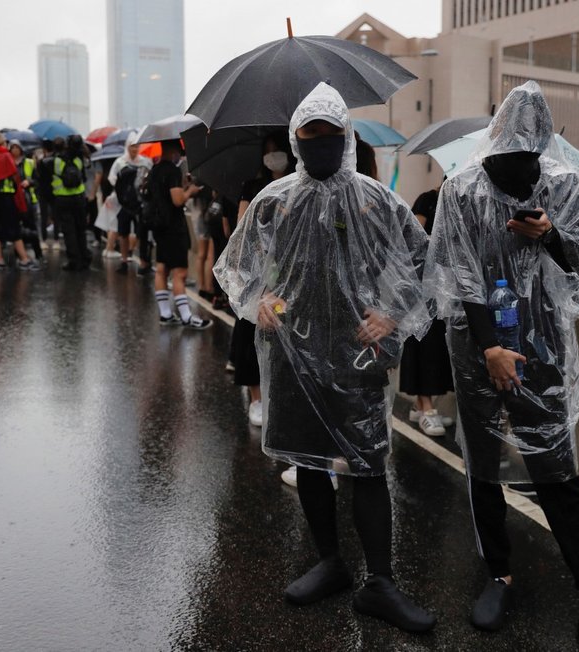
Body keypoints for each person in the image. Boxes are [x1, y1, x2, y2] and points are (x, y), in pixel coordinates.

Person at [214, 82, 434, 633]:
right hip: (290, 353)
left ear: (346, 136)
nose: (321, 145)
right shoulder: (274, 199)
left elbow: (424, 261)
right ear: (296, 139)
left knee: (366, 464)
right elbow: (234, 266)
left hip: (355, 353)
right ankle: (330, 562)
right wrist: (254, 300)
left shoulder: (374, 199)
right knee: (307, 459)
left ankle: (380, 581)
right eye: (310, 135)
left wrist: (392, 314)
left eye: (330, 135)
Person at [424, 80, 579, 650]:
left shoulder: (561, 182)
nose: (520, 162)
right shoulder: (461, 188)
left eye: (529, 151)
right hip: (478, 345)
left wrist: (550, 234)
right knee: (484, 465)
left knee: (557, 470)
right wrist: (489, 345)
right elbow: (459, 271)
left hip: (542, 346)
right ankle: (498, 574)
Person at [231, 132, 295, 428]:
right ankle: (255, 397)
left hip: (290, 273)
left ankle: (278, 396)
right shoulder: (254, 186)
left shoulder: (300, 184)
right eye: (267, 152)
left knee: (283, 335)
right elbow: (243, 229)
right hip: (258, 272)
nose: (273, 157)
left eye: (277, 150)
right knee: (250, 331)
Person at [402, 178, 456, 437]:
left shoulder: (460, 202)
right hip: (423, 285)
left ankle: (423, 404)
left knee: (440, 348)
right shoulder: (428, 200)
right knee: (424, 342)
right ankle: (425, 407)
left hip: (449, 287)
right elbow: (412, 240)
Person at [147, 139, 212, 329]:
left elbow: (163, 196)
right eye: (179, 152)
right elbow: (177, 200)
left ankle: (166, 314)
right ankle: (186, 317)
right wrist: (190, 191)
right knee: (180, 273)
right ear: (174, 151)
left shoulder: (155, 170)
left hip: (158, 226)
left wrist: (182, 185)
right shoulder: (172, 171)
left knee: (161, 269)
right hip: (174, 228)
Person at [0, 132, 38, 271]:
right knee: (13, 228)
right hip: (7, 196)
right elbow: (14, 174)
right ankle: (24, 259)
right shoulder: (5, 156)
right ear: (3, 143)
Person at [108, 132, 153, 274]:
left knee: (142, 233)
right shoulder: (120, 162)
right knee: (123, 233)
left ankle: (143, 261)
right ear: (127, 147)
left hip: (140, 204)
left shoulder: (145, 162)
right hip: (124, 203)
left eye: (137, 146)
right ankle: (124, 261)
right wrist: (122, 189)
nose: (134, 149)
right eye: (132, 146)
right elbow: (111, 178)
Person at [51, 135, 91, 271]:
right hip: (79, 197)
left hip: (63, 199)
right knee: (81, 230)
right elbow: (83, 177)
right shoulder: (80, 158)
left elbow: (55, 175)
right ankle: (85, 259)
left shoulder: (57, 160)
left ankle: (74, 261)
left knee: (69, 231)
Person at [10, 140, 45, 263]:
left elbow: (38, 179)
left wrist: (29, 182)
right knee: (16, 228)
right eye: (12, 148)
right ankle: (19, 254)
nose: (14, 150)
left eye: (16, 147)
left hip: (29, 199)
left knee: (32, 227)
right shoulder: (8, 163)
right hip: (14, 199)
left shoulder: (29, 162)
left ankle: (38, 253)